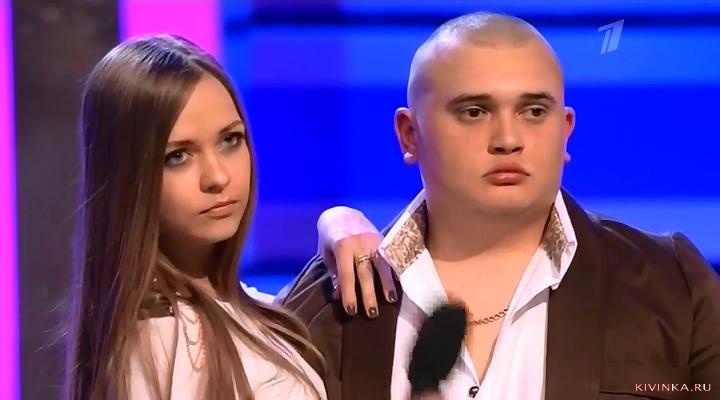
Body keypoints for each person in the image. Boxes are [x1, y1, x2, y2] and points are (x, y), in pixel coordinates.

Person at [280, 12, 720, 400]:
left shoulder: (673, 286)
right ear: (409, 135)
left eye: (534, 111)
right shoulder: (327, 304)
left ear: (565, 131)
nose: (508, 139)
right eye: (474, 112)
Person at [65, 34, 384, 400]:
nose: (217, 177)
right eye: (178, 156)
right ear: (127, 178)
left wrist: (338, 222)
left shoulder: (233, 309)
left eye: (230, 140)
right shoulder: (167, 347)